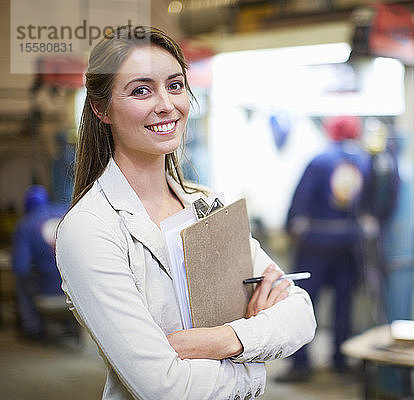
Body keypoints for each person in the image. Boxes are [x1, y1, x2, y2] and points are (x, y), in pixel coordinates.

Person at [55, 25, 316, 399]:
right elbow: (164, 387)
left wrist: (221, 340)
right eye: (141, 90)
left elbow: (301, 314)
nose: (166, 104)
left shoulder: (206, 205)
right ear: (101, 109)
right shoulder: (90, 229)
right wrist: (255, 369)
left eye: (175, 85)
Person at [277, 115, 370, 382]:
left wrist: (290, 227)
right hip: (349, 245)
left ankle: (301, 365)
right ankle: (340, 361)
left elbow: (301, 200)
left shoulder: (319, 161)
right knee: (344, 305)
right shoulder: (363, 161)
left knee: (304, 305)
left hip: (315, 245)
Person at [12, 185, 68, 341]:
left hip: (46, 290)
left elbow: (20, 267)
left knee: (22, 282)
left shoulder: (25, 225)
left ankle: (33, 328)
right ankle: (71, 326)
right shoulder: (65, 212)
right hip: (74, 289)